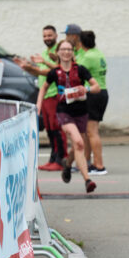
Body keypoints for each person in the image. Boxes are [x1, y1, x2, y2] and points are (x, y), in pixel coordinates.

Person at [37, 39, 100, 193]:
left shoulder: (80, 70)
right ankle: (87, 180)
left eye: (69, 49)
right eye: (63, 49)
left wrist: (85, 89)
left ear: (73, 53)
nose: (66, 52)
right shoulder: (54, 72)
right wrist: (37, 108)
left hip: (81, 112)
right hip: (64, 112)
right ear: (58, 52)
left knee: (77, 145)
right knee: (78, 142)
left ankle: (67, 164)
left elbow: (96, 87)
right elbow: (43, 89)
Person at [16, 25, 68, 172]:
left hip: (55, 94)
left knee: (57, 128)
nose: (47, 38)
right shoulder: (44, 53)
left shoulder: (59, 52)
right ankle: (53, 158)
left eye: (50, 35)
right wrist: (27, 67)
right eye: (44, 36)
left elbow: (56, 70)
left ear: (56, 36)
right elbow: (41, 72)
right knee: (50, 129)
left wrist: (40, 65)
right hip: (45, 94)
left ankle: (61, 159)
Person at [78, 30, 109, 175]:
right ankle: (93, 163)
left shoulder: (88, 57)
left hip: (93, 93)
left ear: (81, 42)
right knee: (91, 131)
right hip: (103, 92)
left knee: (92, 132)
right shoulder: (98, 53)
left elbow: (75, 70)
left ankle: (99, 165)